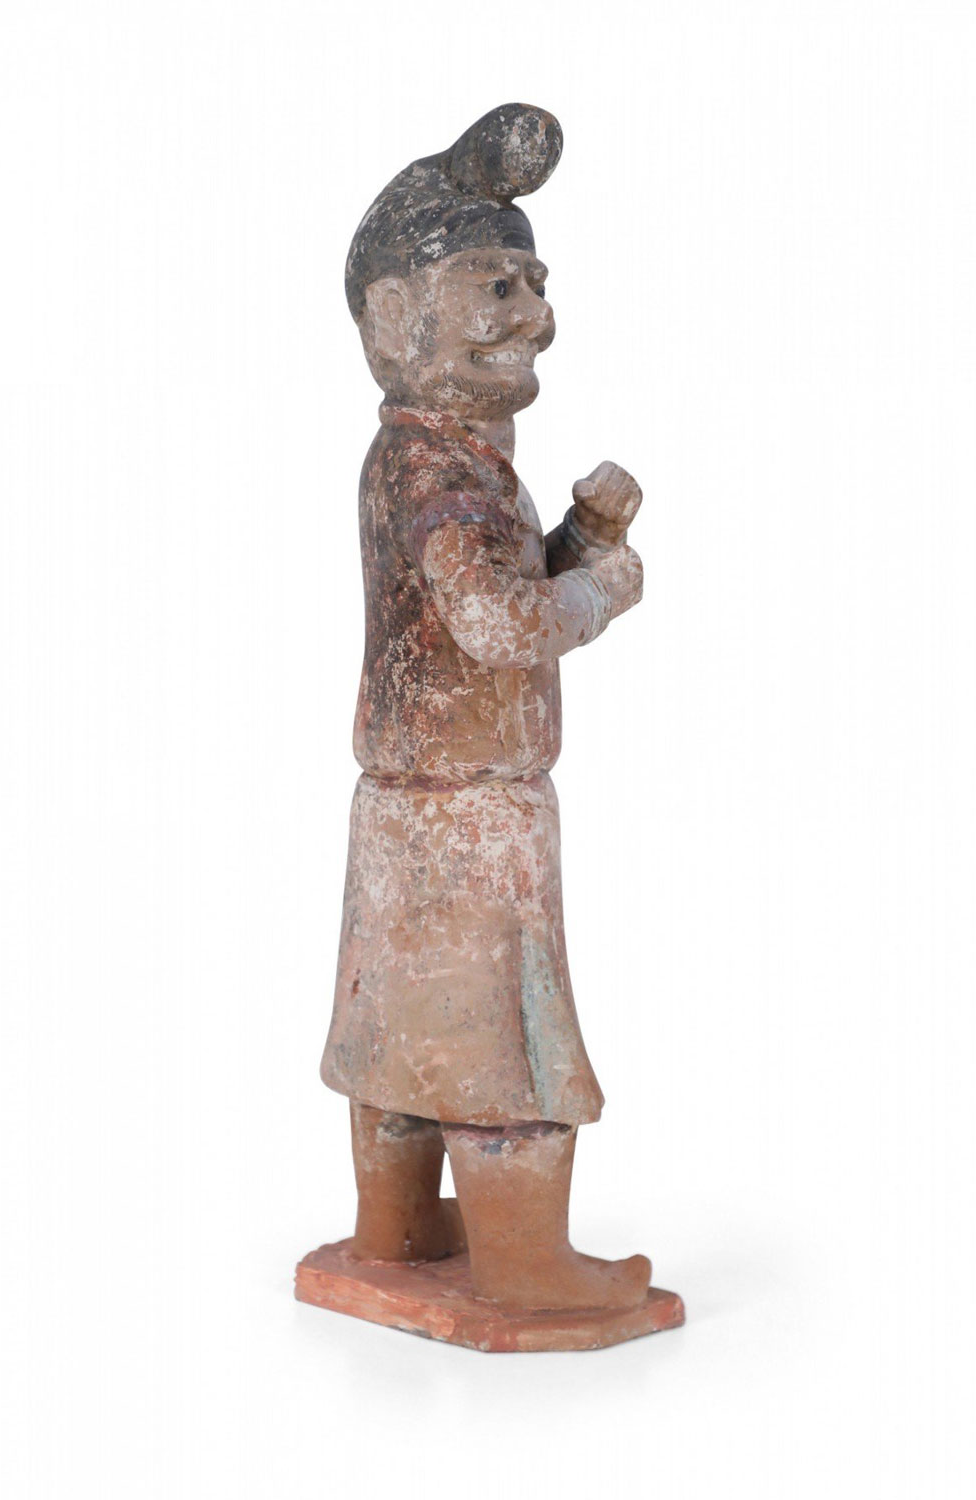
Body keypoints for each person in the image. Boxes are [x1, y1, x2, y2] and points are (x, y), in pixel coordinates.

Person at [320, 103, 649, 1311]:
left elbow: (487, 598)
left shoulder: (428, 458)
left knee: (396, 1036)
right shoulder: (441, 471)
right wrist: (603, 587)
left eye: (536, 285)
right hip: (472, 814)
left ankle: (396, 1233)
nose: (536, 317)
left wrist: (576, 539)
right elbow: (503, 627)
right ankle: (522, 1264)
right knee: (508, 1043)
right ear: (396, 318)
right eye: (496, 288)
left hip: (411, 801)